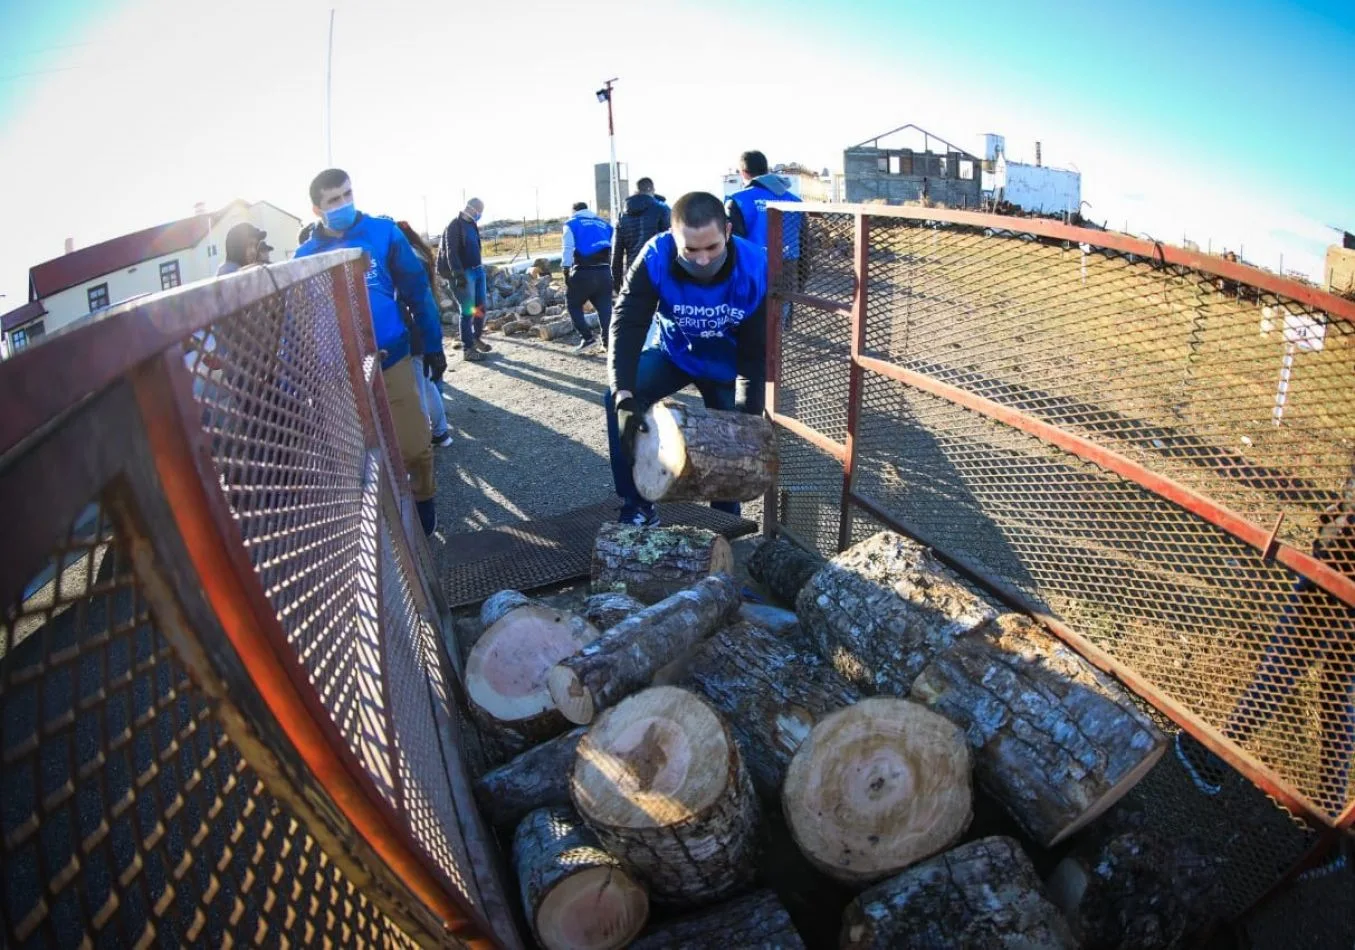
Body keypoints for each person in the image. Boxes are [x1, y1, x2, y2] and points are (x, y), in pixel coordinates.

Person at [1175, 486, 1355, 830]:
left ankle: (1216, 753)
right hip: (1343, 549)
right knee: (1337, 683)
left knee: (1290, 659)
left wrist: (1342, 524)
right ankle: (1328, 820)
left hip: (1343, 561)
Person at [294, 168, 447, 536]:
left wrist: (432, 344)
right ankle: (382, 524)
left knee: (414, 445)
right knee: (354, 459)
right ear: (317, 209)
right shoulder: (305, 254)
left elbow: (416, 289)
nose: (343, 204)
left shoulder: (382, 233)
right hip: (338, 371)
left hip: (390, 355)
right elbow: (299, 318)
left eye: (347, 194)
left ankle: (424, 503)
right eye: (333, 200)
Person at [605, 191, 767, 527]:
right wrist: (623, 393)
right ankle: (636, 503)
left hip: (727, 364)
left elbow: (753, 354)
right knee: (618, 398)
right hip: (673, 352)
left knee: (732, 434)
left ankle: (724, 516)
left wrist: (747, 415)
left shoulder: (755, 268)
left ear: (727, 230)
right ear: (672, 237)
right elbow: (628, 322)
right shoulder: (655, 256)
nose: (703, 260)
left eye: (712, 247)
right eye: (690, 250)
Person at [396, 221, 455, 448]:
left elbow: (416, 298)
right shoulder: (418, 253)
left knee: (423, 384)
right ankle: (441, 432)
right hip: (426, 321)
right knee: (429, 380)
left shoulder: (405, 259)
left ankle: (434, 434)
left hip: (415, 325)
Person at [438, 198, 490, 361]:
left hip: (477, 270)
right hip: (464, 274)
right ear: (473, 209)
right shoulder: (455, 225)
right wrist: (458, 275)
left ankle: (476, 337)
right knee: (467, 311)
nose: (480, 215)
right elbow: (450, 252)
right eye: (479, 212)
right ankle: (468, 349)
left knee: (480, 307)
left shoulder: (472, 225)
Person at [561, 201, 614, 353]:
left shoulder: (572, 223)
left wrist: (565, 269)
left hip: (583, 271)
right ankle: (607, 342)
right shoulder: (605, 224)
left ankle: (587, 338)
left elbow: (568, 248)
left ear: (574, 210)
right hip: (604, 272)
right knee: (604, 308)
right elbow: (612, 246)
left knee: (573, 304)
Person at [611, 178, 671, 294]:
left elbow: (616, 253)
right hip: (658, 270)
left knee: (637, 310)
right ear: (652, 190)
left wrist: (616, 284)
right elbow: (672, 242)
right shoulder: (662, 209)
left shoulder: (622, 216)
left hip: (633, 271)